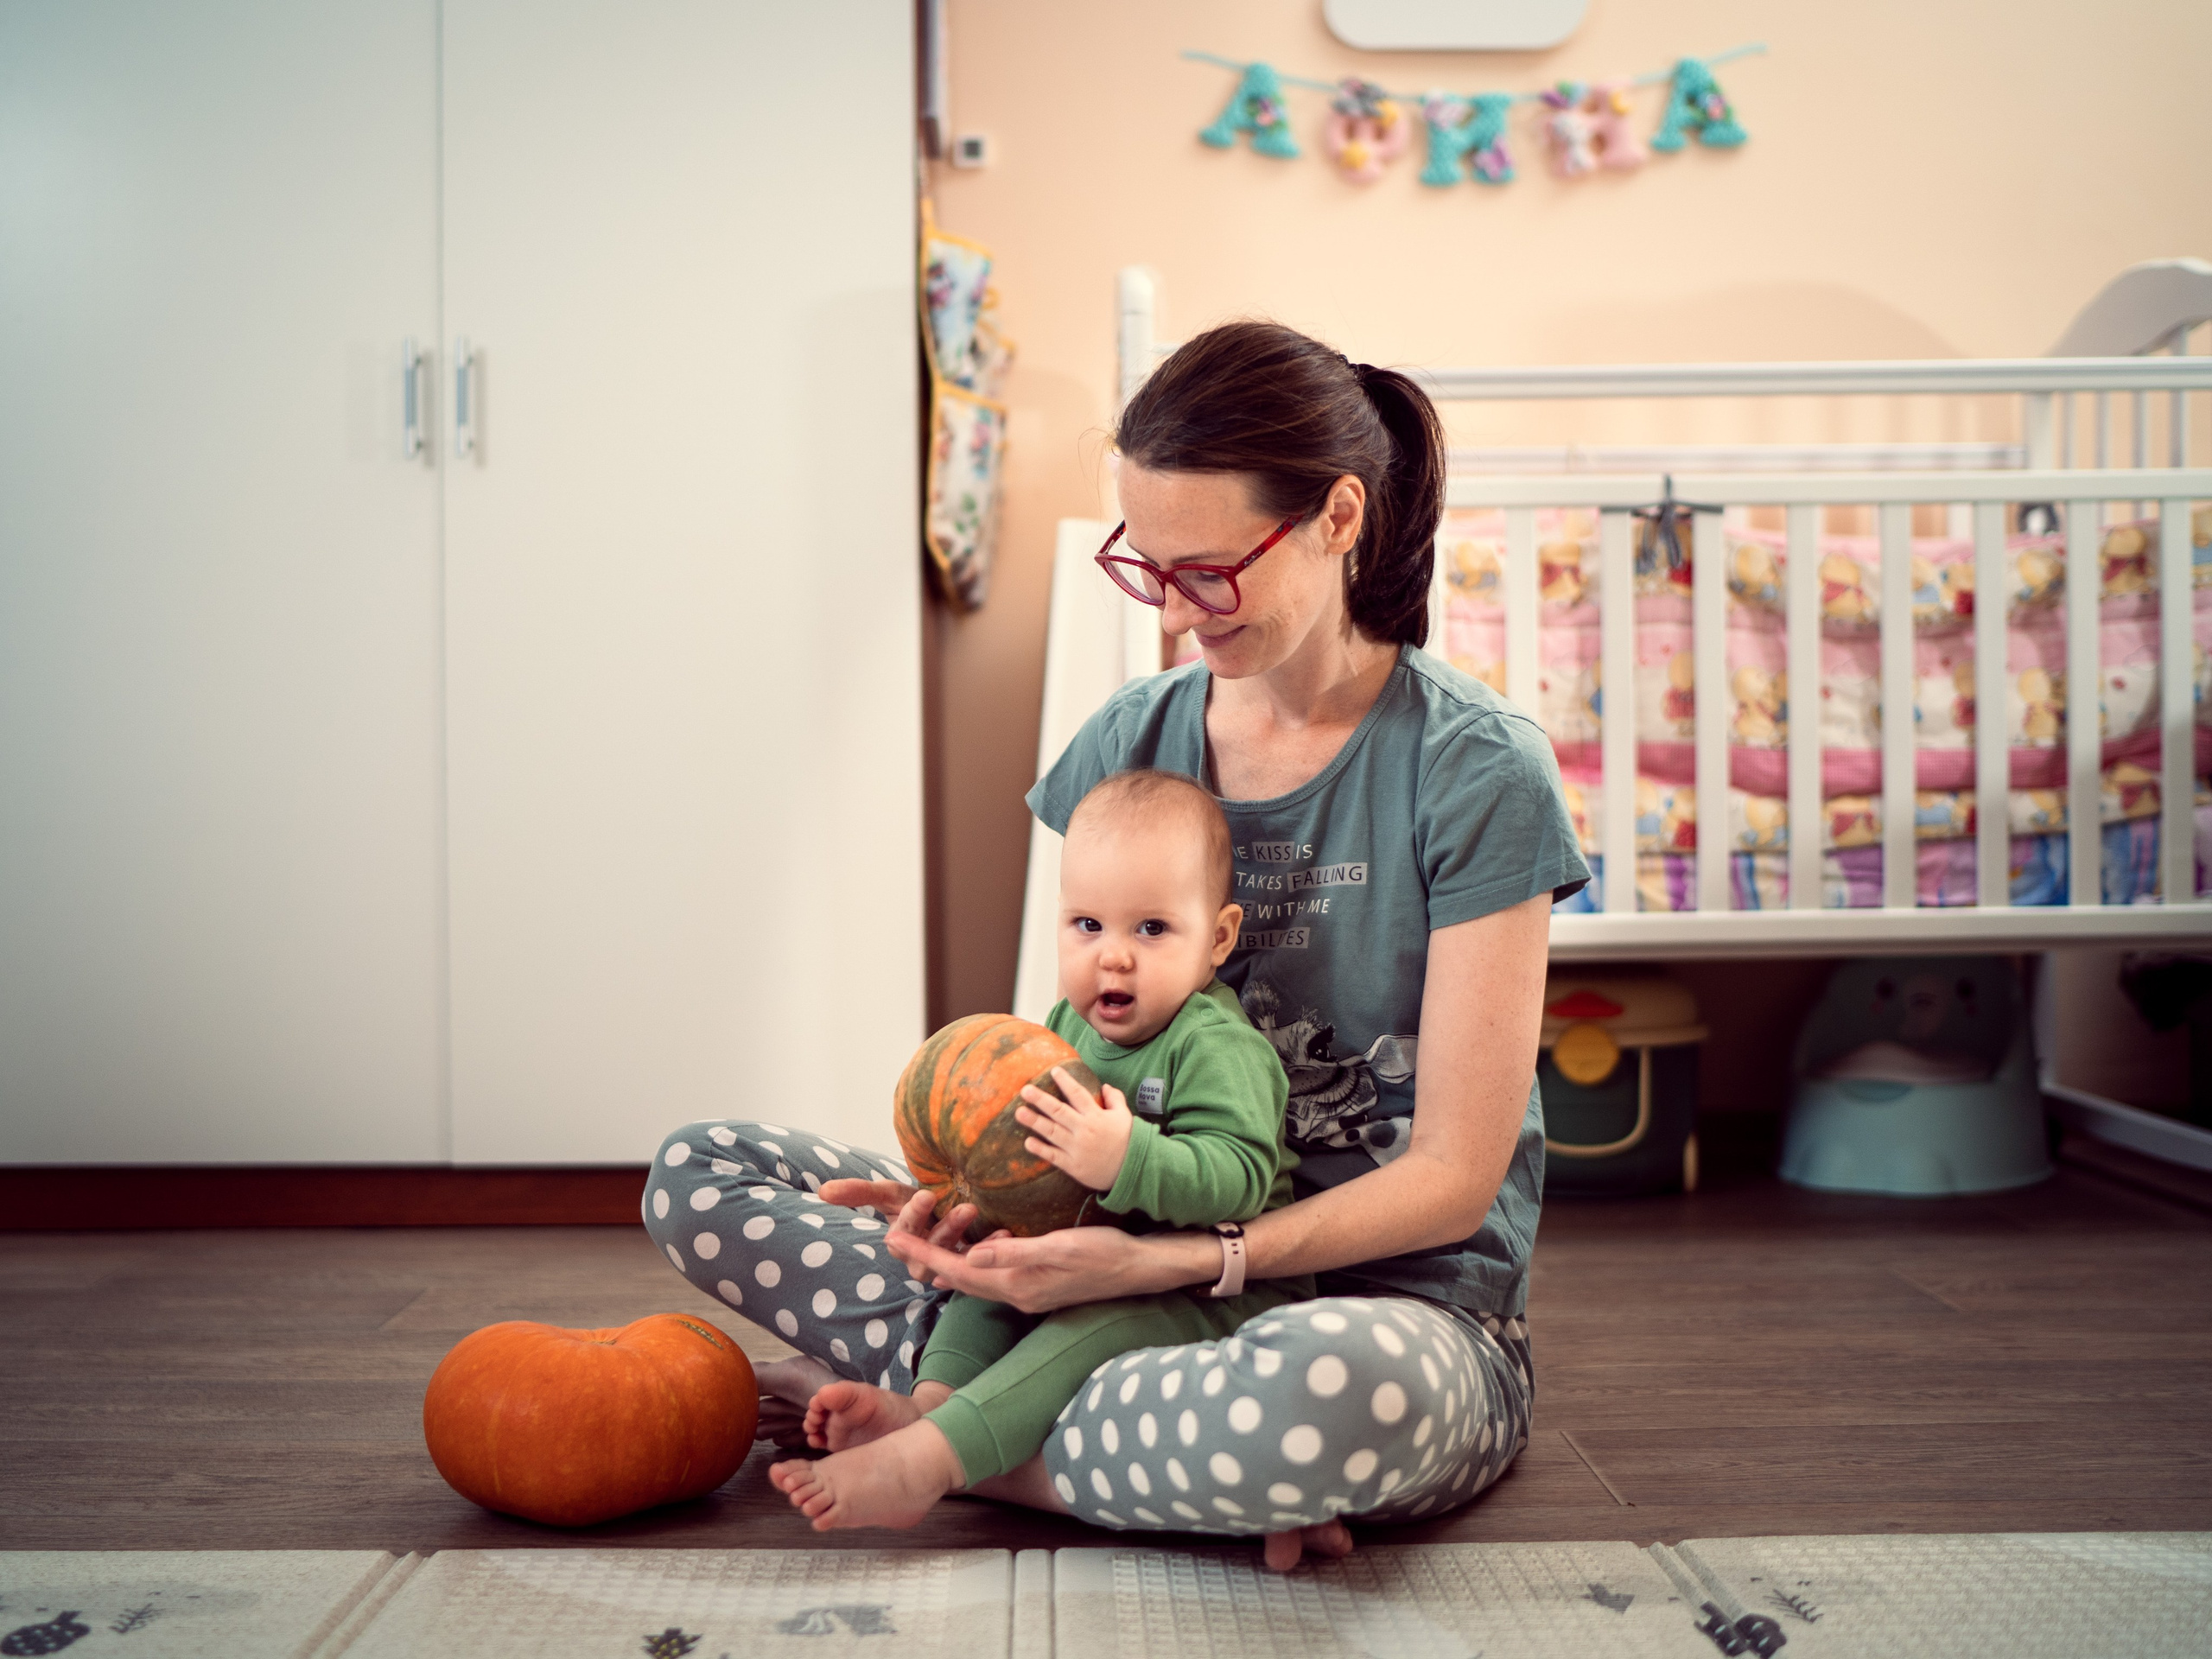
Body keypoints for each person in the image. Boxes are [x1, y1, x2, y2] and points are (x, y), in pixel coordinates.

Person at [643, 318, 1587, 1571]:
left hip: (1375, 1313)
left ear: (1340, 518)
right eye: (1147, 569)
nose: (1178, 612)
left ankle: (952, 1442)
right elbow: (1070, 1055)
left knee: (1337, 1403)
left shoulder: (1475, 771)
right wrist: (984, 1203)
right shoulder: (1129, 740)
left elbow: (1454, 1179)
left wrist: (1188, 1258)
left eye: (1209, 570)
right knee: (701, 1170)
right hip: (1100, 1274)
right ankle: (1065, 1440)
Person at [766, 767, 1312, 1529]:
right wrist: (965, 1205)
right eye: (1088, 925)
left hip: (1208, 1293)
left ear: (1217, 938)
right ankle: (927, 1406)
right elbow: (1023, 1169)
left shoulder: (1216, 1046)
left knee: (1082, 1331)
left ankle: (928, 1463)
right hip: (1083, 1257)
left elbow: (1241, 1180)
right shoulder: (1068, 1025)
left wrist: (1131, 1159)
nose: (1113, 957)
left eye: (1151, 929)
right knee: (985, 1284)